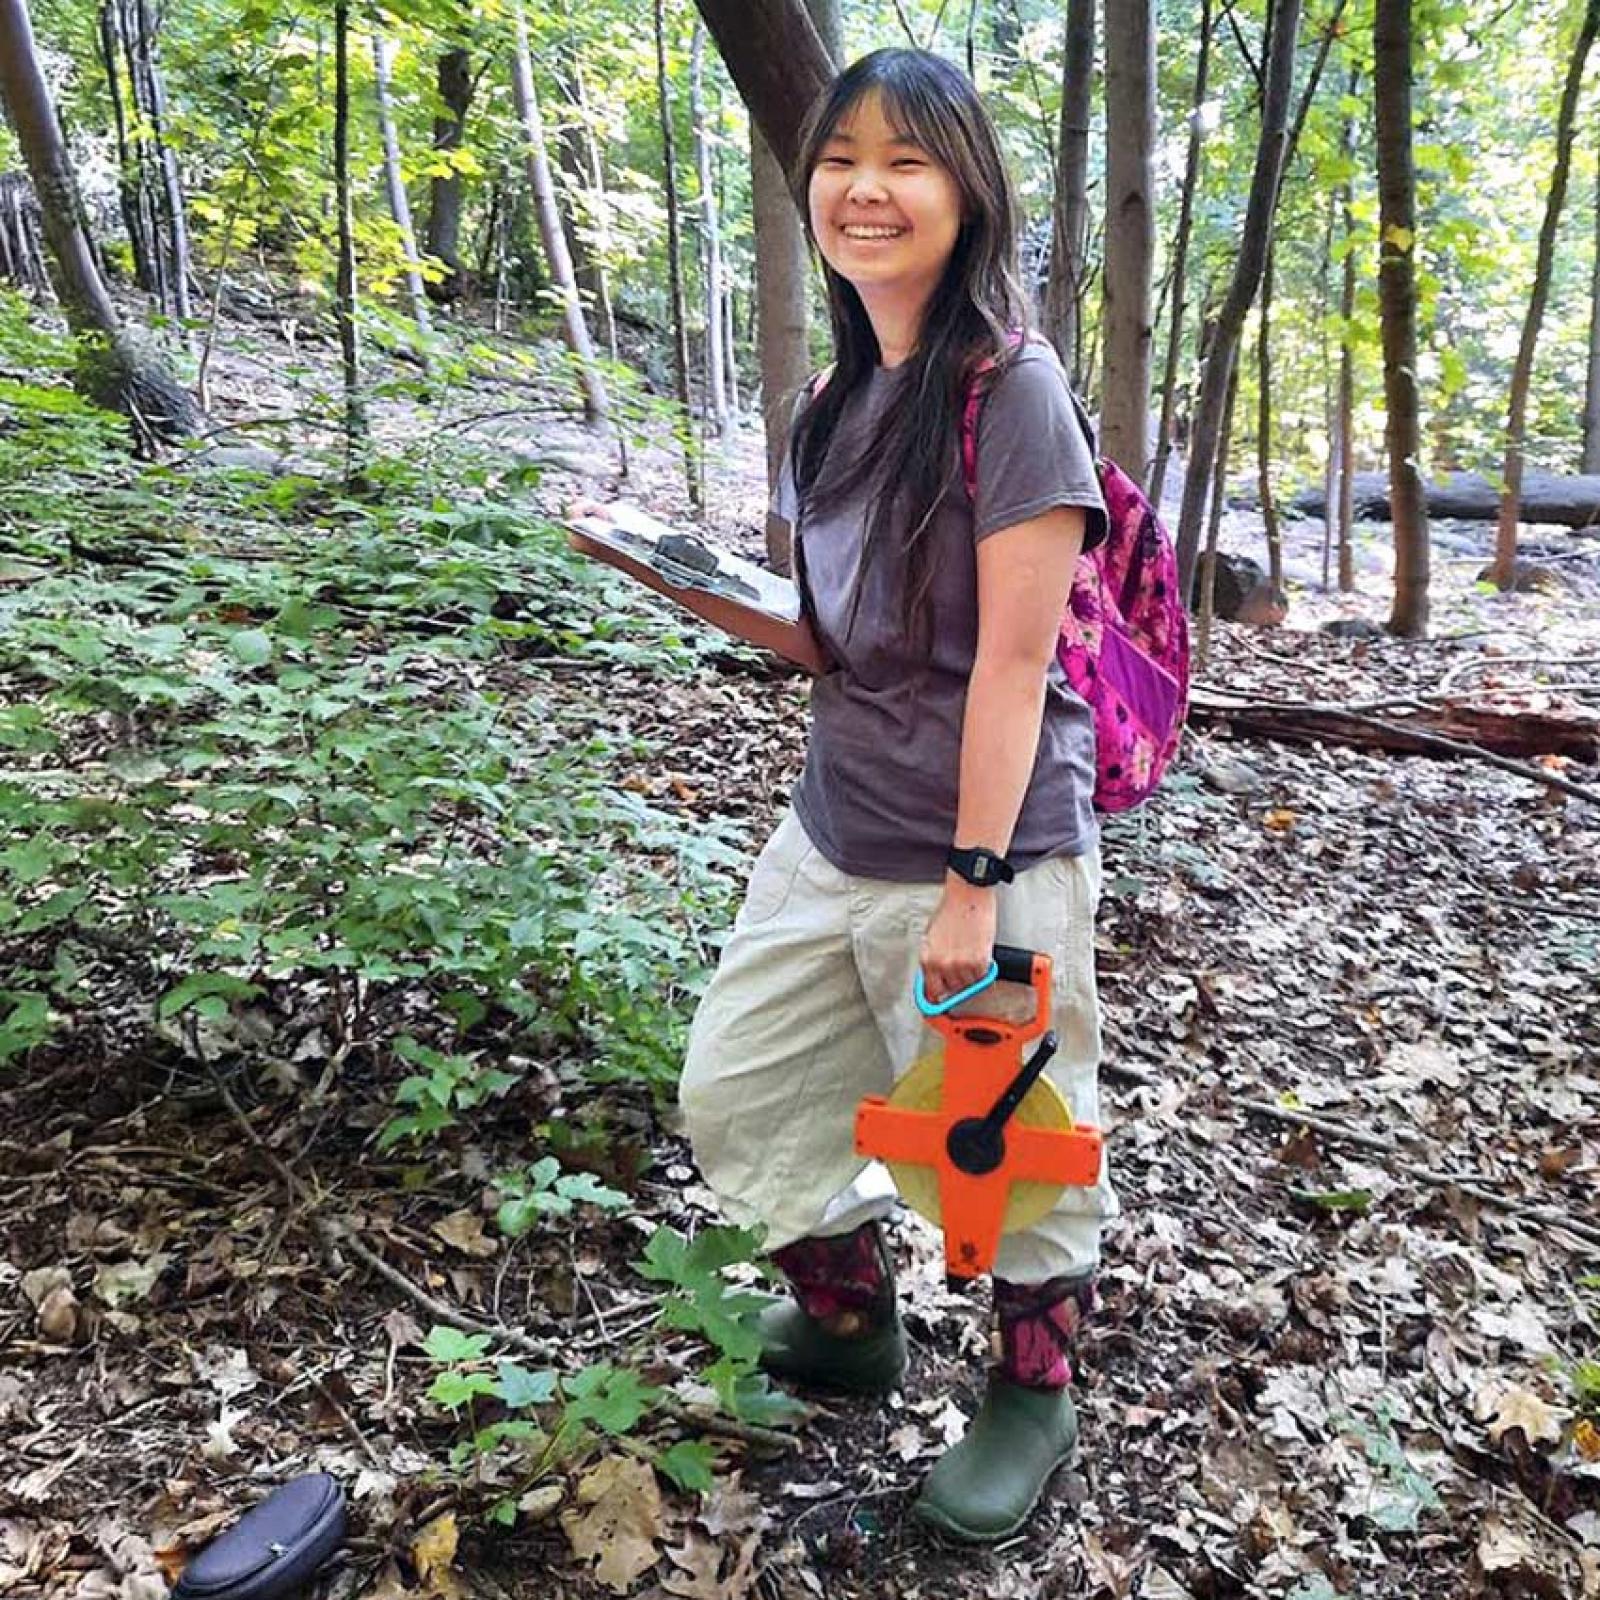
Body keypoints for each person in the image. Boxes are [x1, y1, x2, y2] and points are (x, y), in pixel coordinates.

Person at [677, 47, 1118, 1544]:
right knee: (741, 1092)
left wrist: (972, 887)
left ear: (967, 191)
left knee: (1008, 1150)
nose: (866, 189)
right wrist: (681, 578)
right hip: (832, 823)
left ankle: (1031, 1397)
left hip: (986, 846)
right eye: (841, 158)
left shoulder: (1019, 395)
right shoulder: (832, 400)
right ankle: (857, 1329)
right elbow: (838, 636)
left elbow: (1009, 668)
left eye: (908, 161)